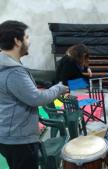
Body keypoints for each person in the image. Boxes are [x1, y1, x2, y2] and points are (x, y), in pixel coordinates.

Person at [0, 20, 68, 169]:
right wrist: (59, 88)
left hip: (10, 136)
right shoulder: (13, 71)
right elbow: (37, 98)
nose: (29, 42)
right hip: (19, 140)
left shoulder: (7, 65)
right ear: (17, 41)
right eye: (27, 37)